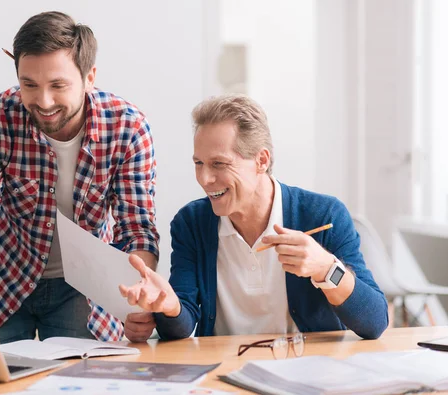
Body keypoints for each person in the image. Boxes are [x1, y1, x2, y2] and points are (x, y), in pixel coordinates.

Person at [0, 11, 159, 343]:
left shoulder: (128, 128)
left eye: (58, 85)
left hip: (82, 288)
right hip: (1, 280)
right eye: (29, 84)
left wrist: (140, 290)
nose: (43, 101)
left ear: (89, 77)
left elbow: (137, 230)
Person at [119, 94, 388, 342]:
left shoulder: (324, 214)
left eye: (218, 164)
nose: (204, 179)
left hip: (306, 370)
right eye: (198, 163)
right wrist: (170, 306)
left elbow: (375, 322)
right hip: (222, 371)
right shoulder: (191, 223)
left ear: (261, 160)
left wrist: (326, 269)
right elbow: (180, 325)